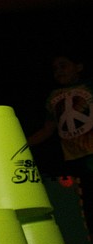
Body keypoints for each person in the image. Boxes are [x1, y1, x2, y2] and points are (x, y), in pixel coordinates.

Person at [26, 50, 93, 227]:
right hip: (73, 159)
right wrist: (22, 144)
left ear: (78, 67)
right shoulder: (53, 97)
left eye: (63, 66)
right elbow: (48, 129)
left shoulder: (89, 87)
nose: (59, 71)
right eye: (55, 69)